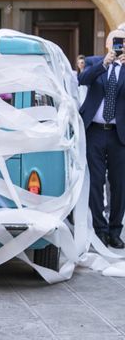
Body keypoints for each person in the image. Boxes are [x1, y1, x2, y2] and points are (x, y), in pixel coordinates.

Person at [79, 29, 125, 249]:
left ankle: (116, 230)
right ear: (108, 43)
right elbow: (82, 79)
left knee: (119, 184)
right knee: (96, 182)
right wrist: (104, 64)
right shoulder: (94, 62)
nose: (118, 44)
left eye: (122, 41)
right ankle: (100, 230)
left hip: (119, 135)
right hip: (95, 132)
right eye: (115, 40)